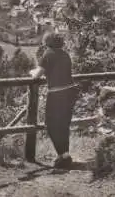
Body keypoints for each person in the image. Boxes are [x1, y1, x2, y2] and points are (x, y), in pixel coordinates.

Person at [30, 32, 77, 169]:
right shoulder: (65, 54)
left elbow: (37, 75)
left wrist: (32, 72)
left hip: (57, 94)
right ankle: (65, 155)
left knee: (50, 125)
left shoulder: (48, 54)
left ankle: (63, 156)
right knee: (63, 125)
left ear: (47, 42)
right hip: (69, 92)